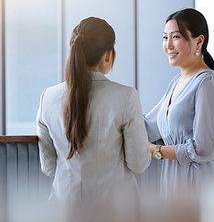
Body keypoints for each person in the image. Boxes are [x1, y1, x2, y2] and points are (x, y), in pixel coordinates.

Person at [36, 17, 151, 204]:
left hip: (65, 210)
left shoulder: (47, 97)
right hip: (116, 213)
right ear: (108, 54)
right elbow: (138, 164)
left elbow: (48, 168)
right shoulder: (126, 96)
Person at [144, 8, 214, 196]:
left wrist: (156, 150)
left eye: (176, 37)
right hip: (173, 180)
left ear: (199, 41)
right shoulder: (176, 83)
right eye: (165, 38)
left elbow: (204, 149)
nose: (168, 45)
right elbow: (148, 126)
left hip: (198, 181)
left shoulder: (207, 82)